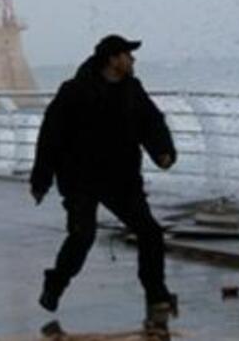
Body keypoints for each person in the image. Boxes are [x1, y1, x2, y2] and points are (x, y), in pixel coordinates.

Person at [29, 34, 178, 318]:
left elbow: (151, 122)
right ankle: (55, 285)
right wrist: (41, 180)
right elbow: (50, 136)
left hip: (120, 180)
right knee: (83, 236)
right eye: (128, 55)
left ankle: (156, 293)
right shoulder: (74, 91)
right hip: (80, 180)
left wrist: (163, 152)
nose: (133, 60)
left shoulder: (132, 89)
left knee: (150, 233)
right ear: (113, 59)